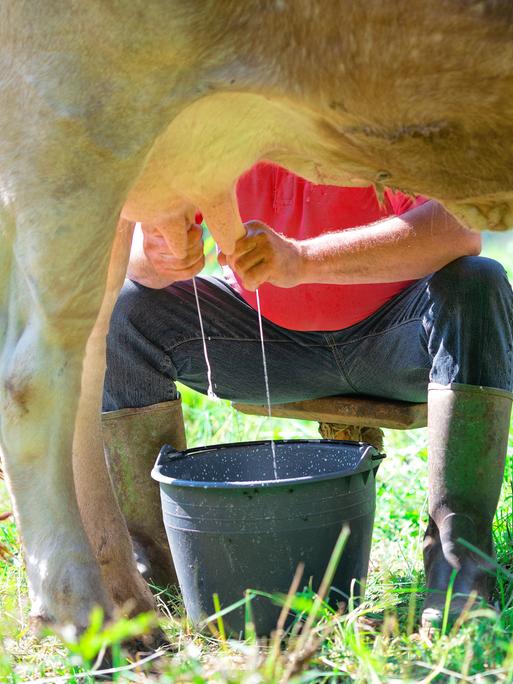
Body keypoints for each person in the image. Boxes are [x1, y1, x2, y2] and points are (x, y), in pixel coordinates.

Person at [102, 162, 513, 628]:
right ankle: (157, 579)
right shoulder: (218, 121)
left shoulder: (371, 102)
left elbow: (460, 231)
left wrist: (303, 259)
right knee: (128, 310)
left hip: (399, 336)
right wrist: (156, 252)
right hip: (264, 340)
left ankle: (459, 567)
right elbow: (138, 257)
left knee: (479, 282)